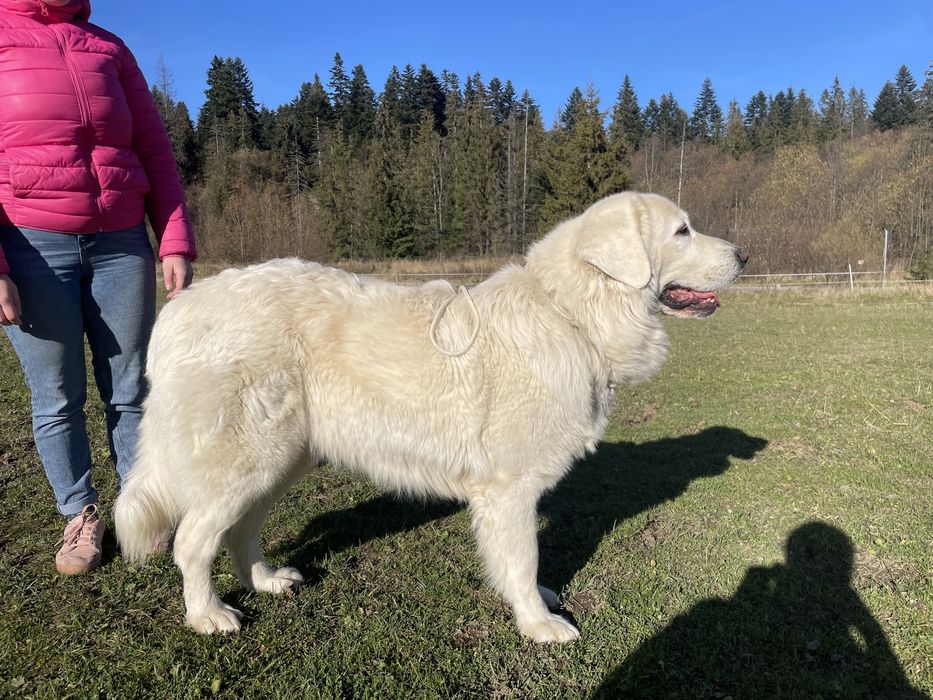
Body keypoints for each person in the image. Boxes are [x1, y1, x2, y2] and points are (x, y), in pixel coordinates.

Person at [0, 0, 196, 575]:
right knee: (56, 396)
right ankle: (81, 514)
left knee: (133, 385)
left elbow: (154, 151)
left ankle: (144, 505)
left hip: (121, 243)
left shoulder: (108, 47)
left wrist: (174, 238)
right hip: (31, 245)